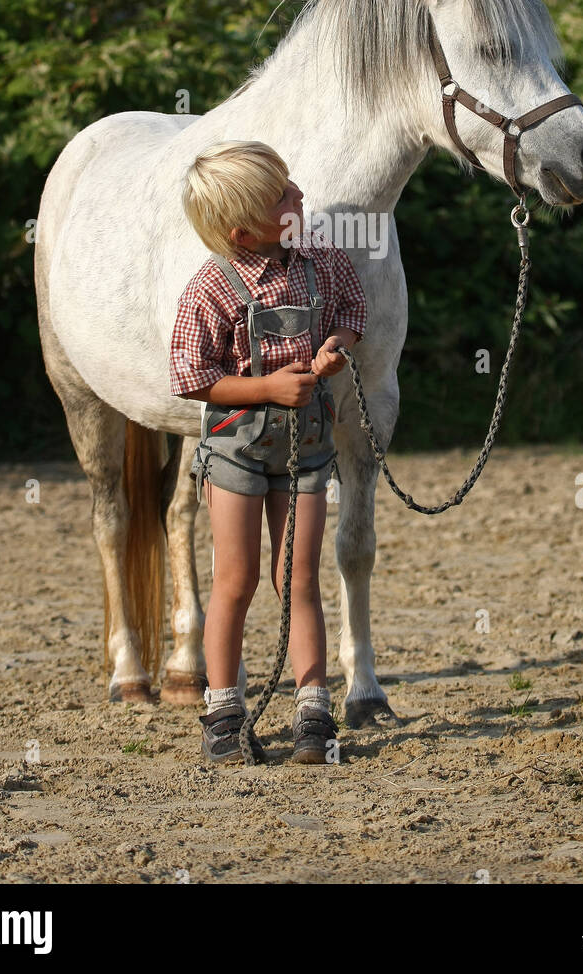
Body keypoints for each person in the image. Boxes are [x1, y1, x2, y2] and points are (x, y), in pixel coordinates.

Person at [169, 140, 367, 765]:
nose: (300, 195)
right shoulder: (211, 289)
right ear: (244, 231)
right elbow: (192, 376)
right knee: (235, 579)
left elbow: (352, 311)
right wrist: (266, 389)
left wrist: (336, 345)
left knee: (298, 579)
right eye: (284, 195)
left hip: (306, 447)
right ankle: (224, 713)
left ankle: (314, 713)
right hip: (235, 452)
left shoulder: (322, 262)